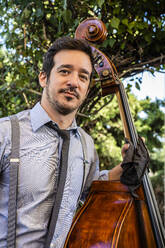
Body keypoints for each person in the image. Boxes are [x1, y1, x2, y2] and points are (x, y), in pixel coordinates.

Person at [0, 37, 128, 248]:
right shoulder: (5, 133)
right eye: (64, 71)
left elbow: (90, 191)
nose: (73, 82)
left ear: (87, 88)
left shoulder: (86, 145)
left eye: (83, 76)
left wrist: (125, 168)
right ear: (43, 77)